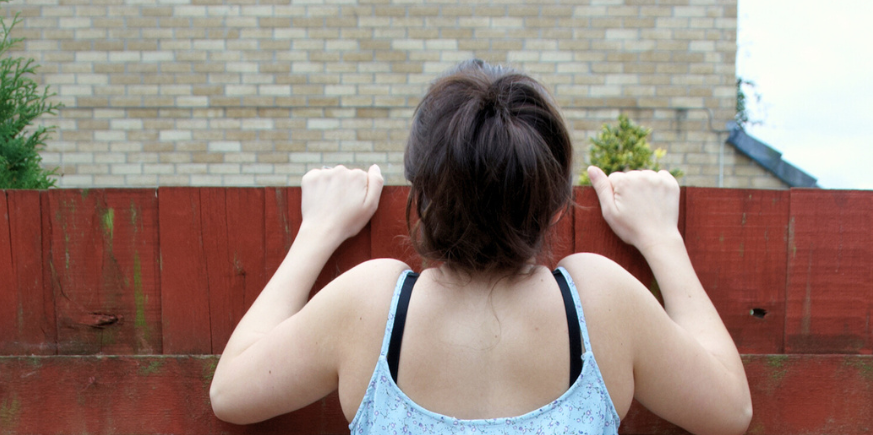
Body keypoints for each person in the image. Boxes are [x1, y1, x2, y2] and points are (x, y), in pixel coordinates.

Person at [209, 60, 752, 435]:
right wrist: (662, 237)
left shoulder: (370, 306)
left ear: (419, 200)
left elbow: (230, 393)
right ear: (558, 207)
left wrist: (318, 230)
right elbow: (730, 410)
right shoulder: (600, 301)